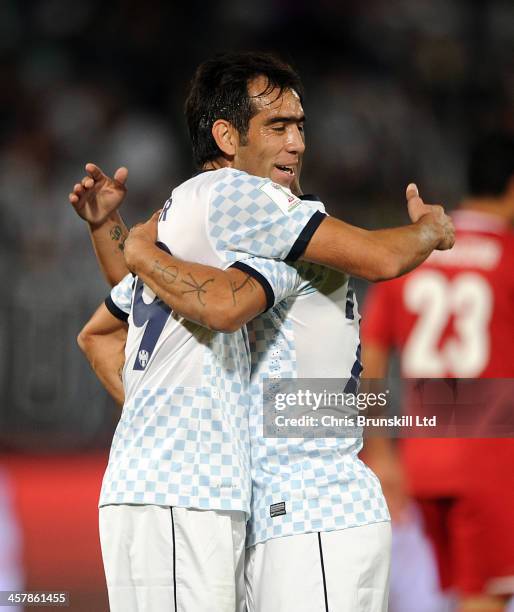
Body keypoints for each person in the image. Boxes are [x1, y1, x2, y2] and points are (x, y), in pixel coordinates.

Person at [72, 52, 454, 612]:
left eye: (300, 127)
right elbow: (186, 303)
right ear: (226, 136)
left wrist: (124, 240)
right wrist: (429, 229)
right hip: (260, 508)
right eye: (277, 127)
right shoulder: (241, 203)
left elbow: (155, 311)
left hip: (312, 509)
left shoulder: (185, 215)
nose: (297, 143)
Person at [360, 132, 514, 612]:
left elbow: (371, 357)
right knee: (484, 596)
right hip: (493, 455)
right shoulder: (508, 257)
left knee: (453, 595)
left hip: (421, 458)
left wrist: (381, 451)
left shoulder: (418, 252)